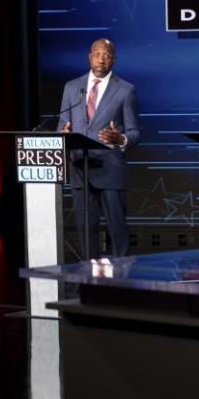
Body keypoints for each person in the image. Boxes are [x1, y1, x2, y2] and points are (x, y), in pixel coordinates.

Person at [58, 38, 140, 258]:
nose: (101, 58)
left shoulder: (125, 90)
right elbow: (62, 125)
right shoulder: (72, 87)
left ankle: (121, 282)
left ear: (113, 60)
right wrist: (62, 135)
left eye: (106, 54)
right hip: (79, 170)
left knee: (117, 231)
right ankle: (89, 281)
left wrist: (120, 138)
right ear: (89, 56)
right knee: (85, 231)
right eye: (97, 53)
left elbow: (134, 133)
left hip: (110, 170)